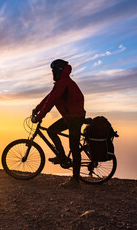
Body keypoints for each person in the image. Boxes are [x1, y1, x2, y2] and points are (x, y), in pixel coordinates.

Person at [31, 59, 86, 188]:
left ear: (58, 71)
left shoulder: (63, 83)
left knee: (74, 147)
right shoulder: (61, 83)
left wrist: (38, 117)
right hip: (70, 117)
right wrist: (37, 108)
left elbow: (50, 103)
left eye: (53, 71)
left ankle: (75, 180)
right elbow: (49, 97)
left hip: (75, 119)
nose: (52, 73)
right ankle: (62, 157)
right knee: (51, 131)